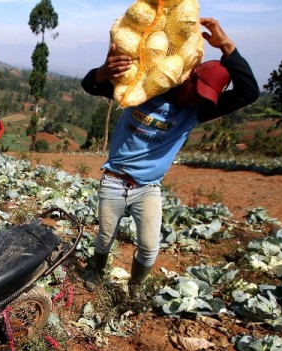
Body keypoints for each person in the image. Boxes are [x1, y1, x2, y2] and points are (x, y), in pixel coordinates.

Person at [80, 17, 260, 295]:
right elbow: (91, 86)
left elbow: (249, 93)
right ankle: (97, 270)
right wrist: (104, 72)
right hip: (115, 180)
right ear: (188, 76)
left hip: (148, 188)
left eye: (205, 98)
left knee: (150, 246)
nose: (196, 99)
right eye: (197, 92)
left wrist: (227, 46)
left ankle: (136, 287)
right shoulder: (146, 88)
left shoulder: (197, 111)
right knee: (104, 238)